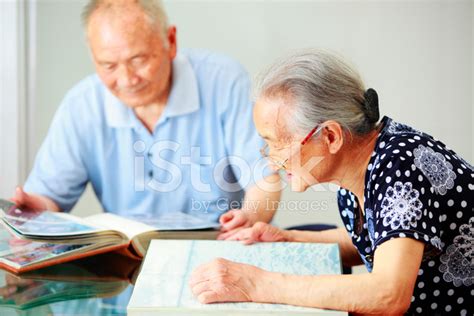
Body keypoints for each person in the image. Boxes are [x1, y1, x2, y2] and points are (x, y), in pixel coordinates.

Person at [189, 50, 473, 315]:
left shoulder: (399, 168)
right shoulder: (364, 163)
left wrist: (255, 284)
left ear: (331, 137)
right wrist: (288, 238)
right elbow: (380, 241)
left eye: (276, 145)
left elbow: (389, 294)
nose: (271, 161)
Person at [11, 0, 281, 234]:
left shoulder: (224, 81)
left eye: (138, 60)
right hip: (124, 266)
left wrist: (250, 217)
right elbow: (49, 198)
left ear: (171, 42)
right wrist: (37, 209)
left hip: (216, 249)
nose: (127, 80)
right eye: (109, 66)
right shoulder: (81, 105)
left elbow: (263, 180)